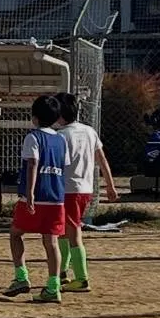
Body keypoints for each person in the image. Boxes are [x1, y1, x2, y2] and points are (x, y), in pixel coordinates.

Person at [3, 94, 68, 304]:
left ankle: (21, 277)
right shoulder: (61, 139)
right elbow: (62, 166)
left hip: (36, 196)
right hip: (56, 198)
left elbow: (32, 164)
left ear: (35, 117)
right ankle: (53, 286)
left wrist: (29, 194)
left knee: (15, 234)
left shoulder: (33, 137)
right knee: (51, 242)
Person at [54, 92, 118, 293]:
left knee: (72, 232)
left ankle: (81, 278)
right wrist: (110, 184)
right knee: (65, 230)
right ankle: (63, 271)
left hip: (68, 189)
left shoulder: (61, 136)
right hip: (85, 188)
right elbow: (101, 158)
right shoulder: (89, 131)